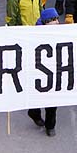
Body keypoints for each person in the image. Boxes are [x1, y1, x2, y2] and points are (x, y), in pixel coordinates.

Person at [27, 8, 61, 137]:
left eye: (57, 19)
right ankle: (34, 113)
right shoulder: (34, 36)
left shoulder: (60, 34)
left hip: (54, 72)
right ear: (46, 22)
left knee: (52, 102)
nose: (57, 22)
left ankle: (50, 126)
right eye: (54, 20)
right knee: (38, 99)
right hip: (38, 73)